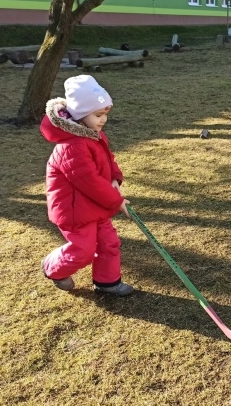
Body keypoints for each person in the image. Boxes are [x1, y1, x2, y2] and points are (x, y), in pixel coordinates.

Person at [39, 75, 133, 296]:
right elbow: (88, 182)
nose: (103, 120)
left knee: (109, 242)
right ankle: (52, 267)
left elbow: (108, 159)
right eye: (98, 115)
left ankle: (107, 282)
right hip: (74, 210)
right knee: (83, 250)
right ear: (81, 115)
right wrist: (116, 201)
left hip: (95, 205)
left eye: (105, 115)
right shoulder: (71, 147)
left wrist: (114, 179)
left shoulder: (92, 135)